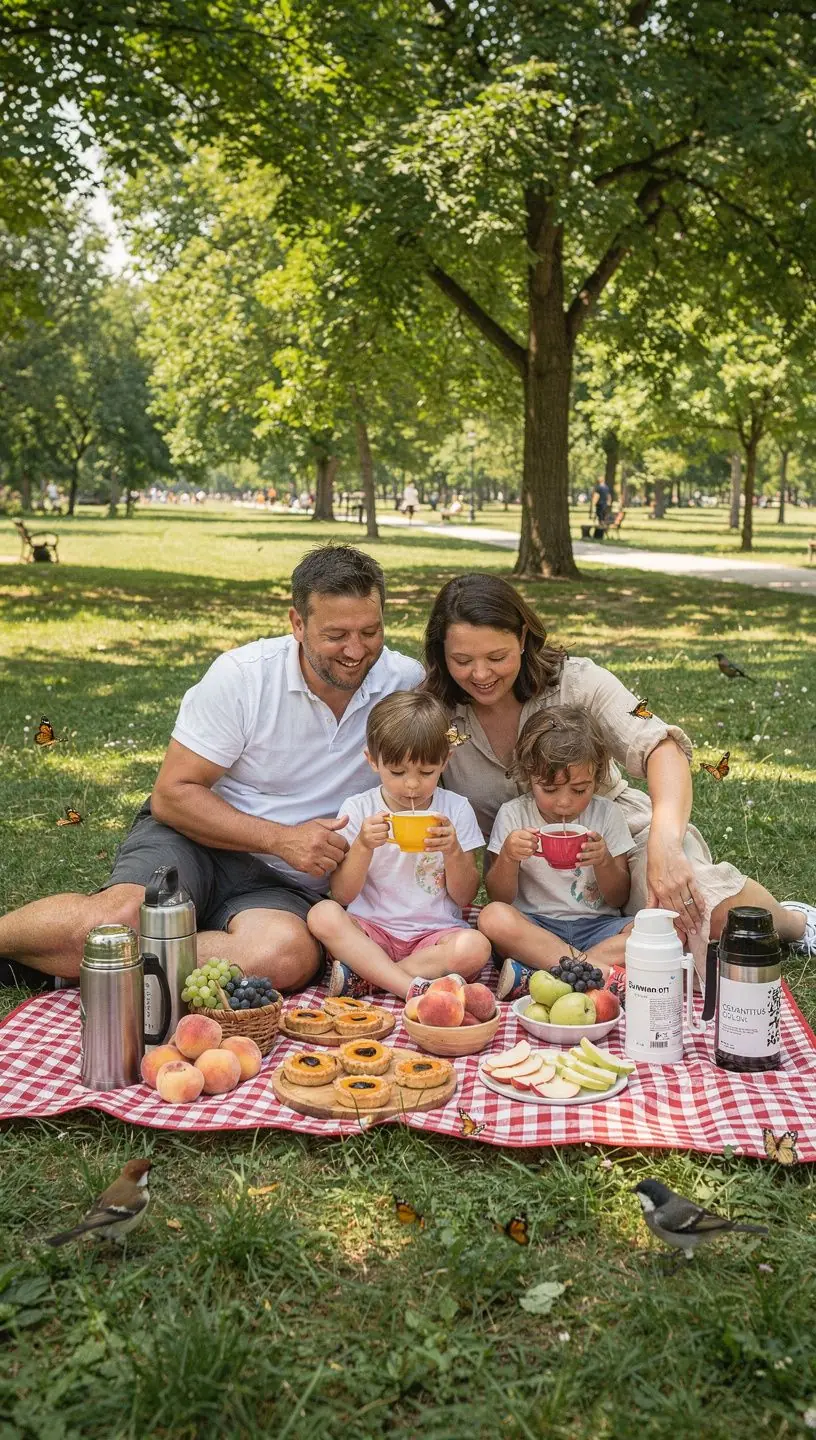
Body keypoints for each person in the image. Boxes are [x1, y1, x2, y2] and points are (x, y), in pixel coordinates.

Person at [0, 544, 424, 990]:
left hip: (287, 887)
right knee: (115, 919)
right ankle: (62, 951)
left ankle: (85, 966)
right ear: (297, 623)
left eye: (371, 632)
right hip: (195, 840)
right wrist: (282, 840)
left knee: (284, 956)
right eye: (337, 634)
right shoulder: (243, 677)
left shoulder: (405, 683)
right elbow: (172, 794)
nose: (356, 650)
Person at [422, 573, 816, 966]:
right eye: (462, 660)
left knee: (704, 915)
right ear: (442, 653)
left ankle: (795, 922)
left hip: (623, 843)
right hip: (531, 887)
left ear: (523, 638)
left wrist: (664, 842)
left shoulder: (577, 683)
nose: (481, 674)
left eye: (496, 657)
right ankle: (594, 963)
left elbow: (662, 747)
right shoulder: (436, 713)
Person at [307, 691, 490, 999]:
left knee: (475, 947)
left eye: (426, 772)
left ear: (446, 760)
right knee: (322, 914)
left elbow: (464, 896)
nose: (411, 784)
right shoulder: (359, 808)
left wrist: (453, 851)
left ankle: (372, 978)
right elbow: (342, 894)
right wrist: (363, 845)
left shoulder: (456, 809)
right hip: (371, 931)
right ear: (372, 761)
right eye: (397, 772)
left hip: (434, 936)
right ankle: (409, 986)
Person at [479, 706, 635, 998]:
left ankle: (545, 975)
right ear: (528, 776)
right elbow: (499, 897)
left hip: (597, 927)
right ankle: (597, 974)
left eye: (579, 790)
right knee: (492, 918)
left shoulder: (607, 814)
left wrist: (603, 862)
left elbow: (619, 898)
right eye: (550, 789)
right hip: (536, 929)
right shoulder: (514, 815)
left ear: (597, 776)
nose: (564, 802)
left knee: (657, 931)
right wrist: (510, 857)